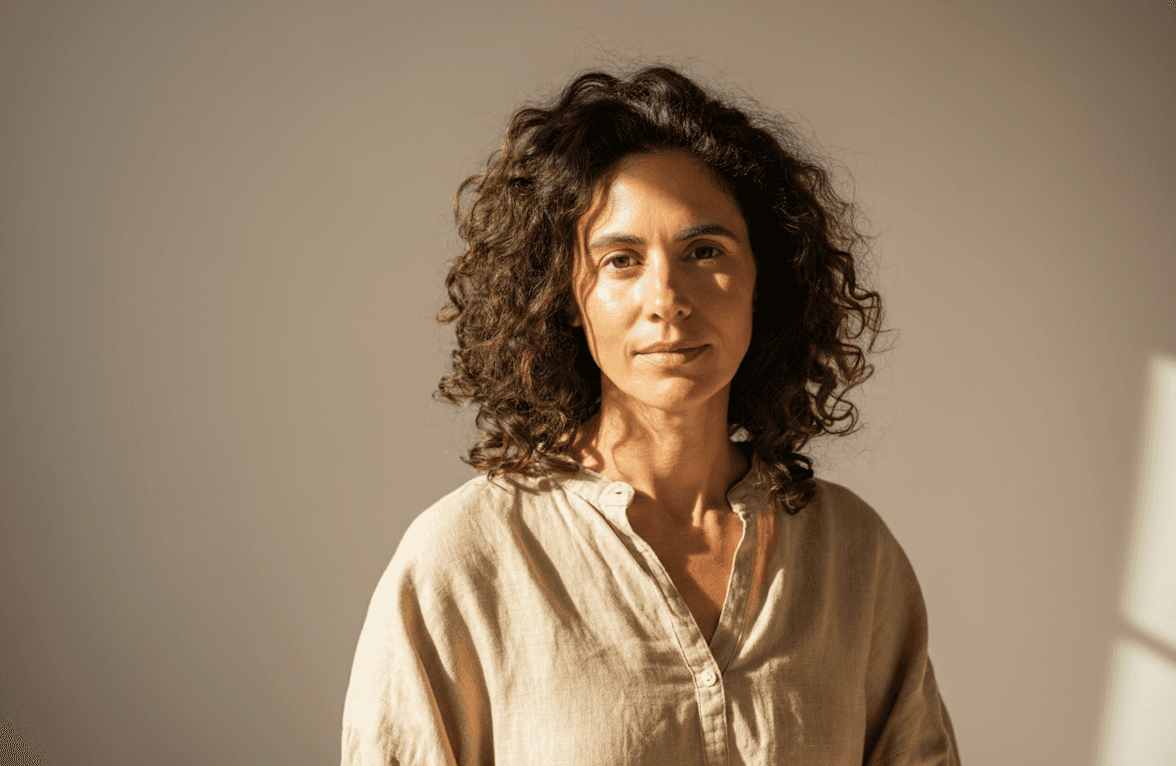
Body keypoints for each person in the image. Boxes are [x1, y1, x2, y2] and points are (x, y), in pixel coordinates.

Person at [341, 64, 961, 765]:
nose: (667, 297)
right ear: (567, 297)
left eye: (704, 251)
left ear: (764, 279)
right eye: (621, 260)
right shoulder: (465, 560)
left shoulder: (852, 556)